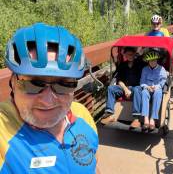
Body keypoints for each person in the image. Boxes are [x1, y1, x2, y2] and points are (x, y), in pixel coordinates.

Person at [0, 23, 101, 173]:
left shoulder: (82, 114)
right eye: (33, 84)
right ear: (14, 82)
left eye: (64, 84)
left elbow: (94, 165)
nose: (47, 101)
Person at [100, 47, 144, 128]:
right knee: (111, 88)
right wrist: (126, 89)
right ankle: (110, 114)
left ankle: (136, 119)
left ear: (134, 54)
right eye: (127, 55)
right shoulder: (123, 65)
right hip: (125, 87)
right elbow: (119, 80)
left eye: (131, 54)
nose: (129, 56)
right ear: (125, 55)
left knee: (137, 89)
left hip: (136, 87)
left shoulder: (140, 64)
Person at [140, 50, 167, 130]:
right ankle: (146, 119)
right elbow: (142, 82)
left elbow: (163, 81)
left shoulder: (162, 69)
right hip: (147, 88)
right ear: (148, 61)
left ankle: (153, 119)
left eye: (154, 60)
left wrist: (156, 87)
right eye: (151, 61)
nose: (152, 62)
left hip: (157, 88)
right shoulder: (145, 69)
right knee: (144, 92)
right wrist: (147, 87)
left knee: (158, 93)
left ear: (157, 60)